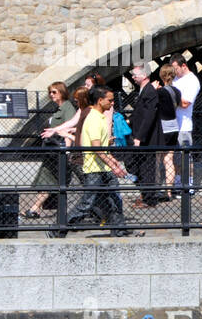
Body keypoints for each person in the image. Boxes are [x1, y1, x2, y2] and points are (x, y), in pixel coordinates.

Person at [49, 86, 141, 238]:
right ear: (100, 100)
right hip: (94, 169)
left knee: (115, 199)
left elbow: (102, 148)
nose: (112, 104)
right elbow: (96, 148)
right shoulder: (93, 118)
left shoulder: (100, 117)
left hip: (103, 167)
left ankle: (119, 230)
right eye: (110, 101)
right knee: (87, 203)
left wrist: (113, 162)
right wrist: (113, 164)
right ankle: (59, 228)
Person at [26, 81, 76, 218]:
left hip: (59, 151)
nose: (51, 95)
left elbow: (69, 130)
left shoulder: (68, 108)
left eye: (54, 92)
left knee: (51, 179)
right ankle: (35, 208)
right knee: (48, 179)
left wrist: (66, 150)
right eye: (50, 92)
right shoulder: (59, 109)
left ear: (62, 92)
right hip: (53, 152)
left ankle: (35, 208)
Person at [127, 64, 167, 207]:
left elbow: (149, 116)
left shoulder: (149, 91)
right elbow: (140, 113)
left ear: (144, 76)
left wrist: (139, 137)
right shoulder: (144, 90)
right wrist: (128, 121)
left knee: (147, 167)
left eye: (135, 75)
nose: (133, 77)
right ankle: (145, 194)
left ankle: (149, 198)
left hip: (147, 138)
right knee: (136, 165)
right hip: (141, 135)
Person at [171, 57, 202, 193]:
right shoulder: (176, 79)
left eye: (176, 68)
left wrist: (169, 96)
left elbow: (185, 103)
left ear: (183, 65)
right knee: (175, 156)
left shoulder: (192, 81)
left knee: (185, 156)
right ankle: (178, 183)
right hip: (172, 124)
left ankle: (188, 184)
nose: (174, 71)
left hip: (184, 125)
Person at [156, 63, 180, 197]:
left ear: (162, 75)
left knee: (157, 158)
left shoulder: (160, 92)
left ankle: (157, 188)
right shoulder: (177, 91)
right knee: (169, 160)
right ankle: (169, 191)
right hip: (174, 126)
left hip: (162, 127)